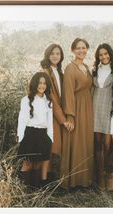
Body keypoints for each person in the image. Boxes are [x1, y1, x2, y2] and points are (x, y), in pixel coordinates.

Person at [60, 38, 94, 189]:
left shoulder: (87, 67)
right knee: (75, 143)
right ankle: (72, 181)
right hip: (75, 108)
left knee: (85, 142)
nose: (81, 50)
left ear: (87, 49)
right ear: (73, 50)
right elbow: (68, 93)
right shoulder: (70, 68)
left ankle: (84, 179)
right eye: (78, 48)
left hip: (88, 108)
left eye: (84, 48)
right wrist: (70, 116)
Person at [40, 44, 72, 182]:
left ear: (61, 56)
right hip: (50, 115)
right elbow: (51, 97)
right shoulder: (46, 72)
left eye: (58, 53)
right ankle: (45, 181)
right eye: (52, 53)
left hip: (59, 113)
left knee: (56, 148)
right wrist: (62, 119)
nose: (55, 56)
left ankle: (53, 179)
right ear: (47, 55)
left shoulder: (59, 72)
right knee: (51, 148)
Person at [17, 72, 53, 189]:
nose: (42, 86)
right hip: (30, 133)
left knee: (38, 163)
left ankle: (35, 189)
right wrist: (20, 136)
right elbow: (22, 119)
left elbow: (50, 121)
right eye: (39, 83)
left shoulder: (48, 101)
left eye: (44, 83)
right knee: (27, 163)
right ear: (34, 84)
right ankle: (23, 188)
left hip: (43, 134)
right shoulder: (26, 99)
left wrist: (50, 137)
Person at [92, 43, 113, 191]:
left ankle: (110, 174)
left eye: (106, 54)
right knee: (97, 145)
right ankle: (99, 176)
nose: (104, 57)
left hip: (109, 111)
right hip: (95, 111)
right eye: (100, 54)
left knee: (108, 146)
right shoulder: (94, 71)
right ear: (97, 57)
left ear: (111, 55)